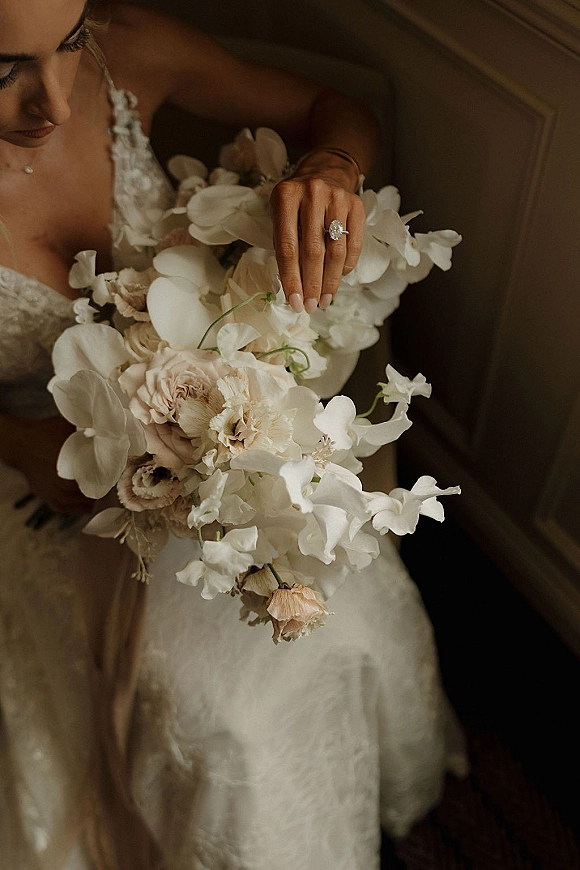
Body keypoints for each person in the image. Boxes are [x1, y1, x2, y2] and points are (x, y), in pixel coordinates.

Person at [0, 2, 467, 868]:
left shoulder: (129, 46)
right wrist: (18, 445)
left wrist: (330, 166)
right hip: (51, 485)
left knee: (346, 615)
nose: (55, 103)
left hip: (232, 447)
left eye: (66, 43)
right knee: (223, 723)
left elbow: (341, 111)